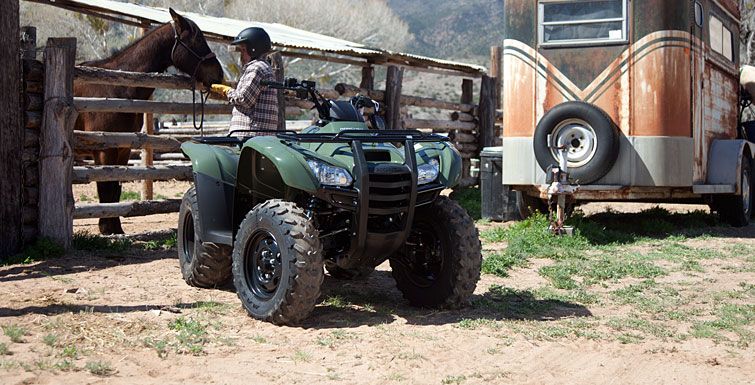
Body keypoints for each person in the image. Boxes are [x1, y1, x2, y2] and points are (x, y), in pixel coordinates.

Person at [211, 27, 278, 136]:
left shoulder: (256, 68)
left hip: (250, 133)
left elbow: (244, 99)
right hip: (257, 134)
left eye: (243, 50)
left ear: (253, 49)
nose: (241, 55)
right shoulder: (264, 67)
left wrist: (226, 90)